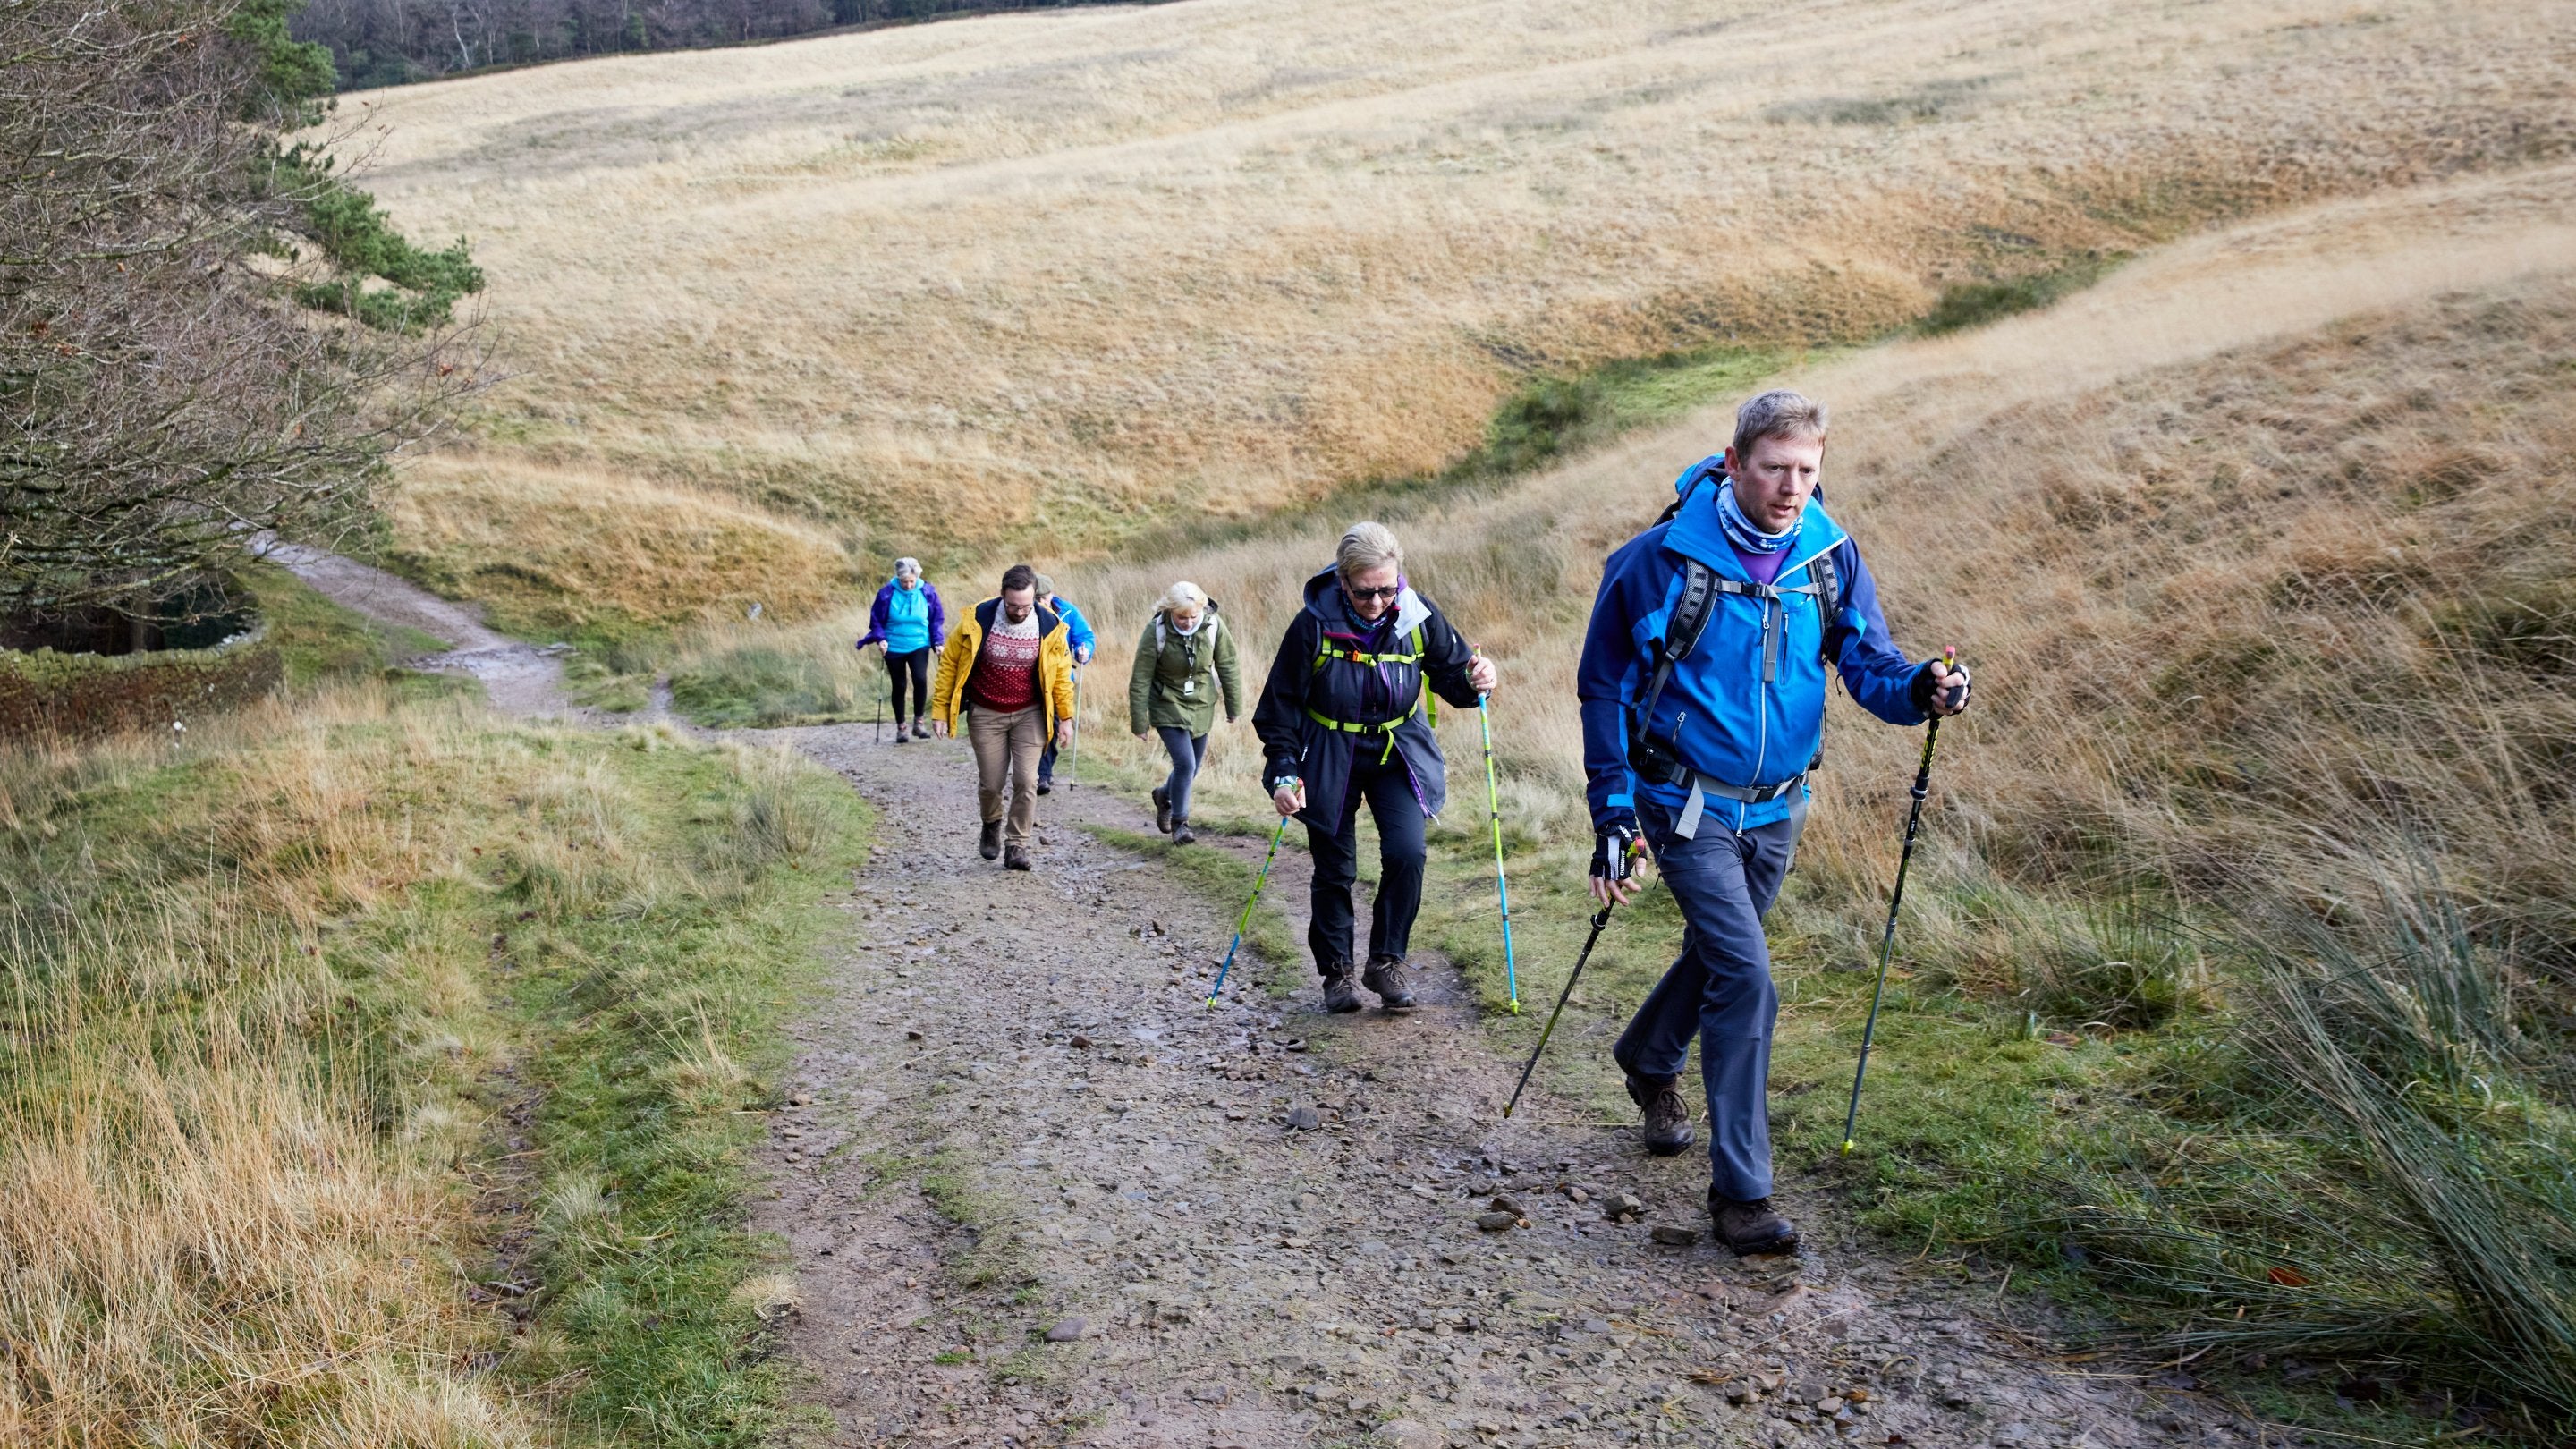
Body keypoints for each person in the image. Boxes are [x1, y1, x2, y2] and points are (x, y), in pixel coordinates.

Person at [1577, 389, 1973, 1256]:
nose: (1791, 488)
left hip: (1779, 807)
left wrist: (1918, 691)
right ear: (1732, 463)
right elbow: (1604, 687)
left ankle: (1649, 1055)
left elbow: (1866, 661)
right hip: (1684, 802)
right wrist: (1611, 807)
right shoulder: (1654, 564)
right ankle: (1742, 1194)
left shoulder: (1829, 560)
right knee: (1748, 976)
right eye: (1774, 469)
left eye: (1807, 471)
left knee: (1724, 955)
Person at [1253, 522, 1497, 1013]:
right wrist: (1283, 772)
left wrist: (1478, 680)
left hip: (1396, 751)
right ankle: (1337, 974)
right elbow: (1279, 709)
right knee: (1335, 868)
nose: (1378, 600)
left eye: (1388, 588)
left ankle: (1386, 962)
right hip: (1329, 753)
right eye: (1366, 591)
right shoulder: (1313, 626)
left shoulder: (1417, 613)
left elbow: (1455, 678)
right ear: (1344, 581)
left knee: (1408, 854)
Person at [929, 564, 1077, 871]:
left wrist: (1066, 717)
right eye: (1013, 605)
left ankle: (1017, 845)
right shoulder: (978, 618)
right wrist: (941, 710)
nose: (1020, 612)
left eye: (1026, 605)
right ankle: (991, 823)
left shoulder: (1049, 626)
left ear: (1034, 597)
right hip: (986, 713)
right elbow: (950, 665)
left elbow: (1061, 675)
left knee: (1027, 780)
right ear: (1002, 595)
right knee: (991, 784)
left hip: (1030, 714)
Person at [1126, 580, 1242, 846]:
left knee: (1193, 768)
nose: (1188, 622)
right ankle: (1181, 824)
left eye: (1193, 616)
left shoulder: (1213, 625)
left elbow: (1228, 665)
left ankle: (1163, 794)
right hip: (1166, 701)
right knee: (1185, 764)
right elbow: (1141, 678)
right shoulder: (1156, 630)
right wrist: (1139, 721)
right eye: (1182, 617)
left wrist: (1234, 706)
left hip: (1201, 702)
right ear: (1169, 611)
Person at [855, 557, 945, 741]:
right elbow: (876, 620)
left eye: (912, 581)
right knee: (900, 685)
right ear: (898, 578)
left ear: (917, 577)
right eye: (905, 582)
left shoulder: (927, 592)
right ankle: (901, 727)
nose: (909, 585)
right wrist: (880, 639)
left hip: (919, 643)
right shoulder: (886, 593)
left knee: (920, 679)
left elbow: (936, 619)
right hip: (893, 645)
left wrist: (937, 642)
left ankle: (919, 723)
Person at [1031, 574, 1097, 793]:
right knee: (1033, 727)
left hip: (1060, 681)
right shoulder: (1022, 612)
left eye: (1044, 597)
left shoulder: (1068, 612)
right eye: (1036, 598)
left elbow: (1085, 636)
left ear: (1052, 594)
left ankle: (1043, 775)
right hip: (1029, 680)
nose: (1041, 602)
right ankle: (1035, 773)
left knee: (1052, 727)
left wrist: (1084, 650)